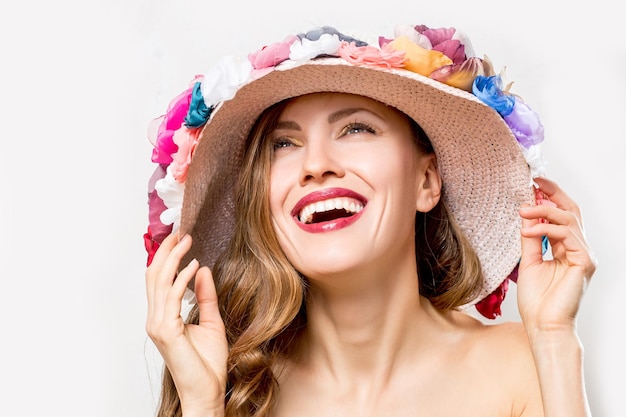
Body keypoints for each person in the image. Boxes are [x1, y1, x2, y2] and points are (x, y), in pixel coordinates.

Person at [143, 23, 596, 417]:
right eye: (284, 144)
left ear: (426, 182)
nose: (315, 164)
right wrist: (203, 406)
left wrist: (555, 336)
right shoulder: (231, 387)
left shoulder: (519, 367)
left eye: (356, 128)